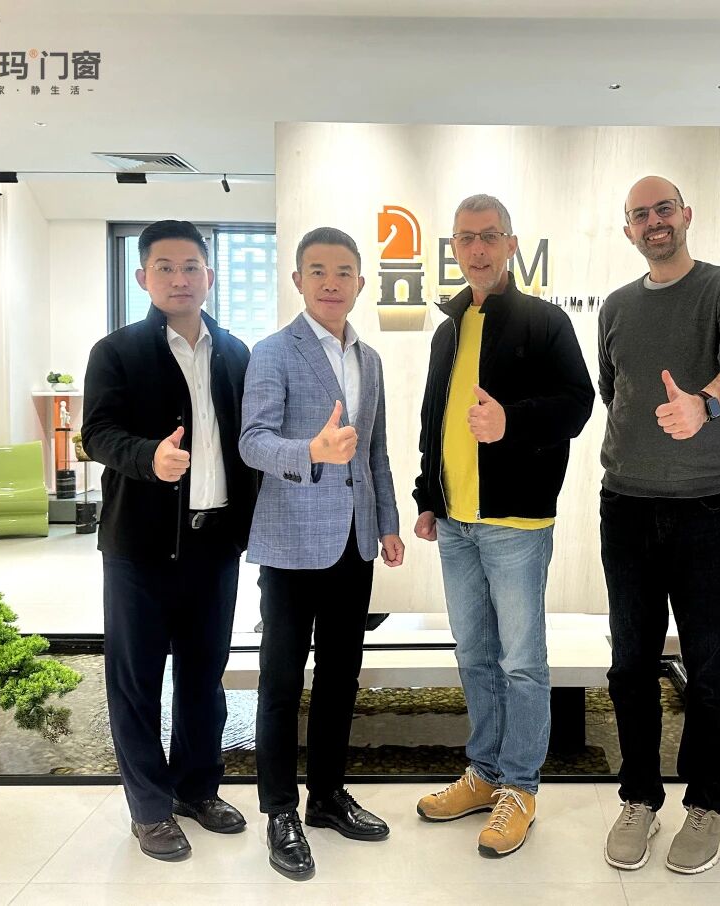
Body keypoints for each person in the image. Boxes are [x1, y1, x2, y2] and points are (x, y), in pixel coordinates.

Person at [412, 194, 594, 858]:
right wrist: (427, 495)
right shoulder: (448, 329)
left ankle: (520, 787)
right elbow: (433, 419)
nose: (478, 248)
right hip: (455, 522)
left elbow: (578, 404)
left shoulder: (544, 322)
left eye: (490, 236)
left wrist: (511, 421)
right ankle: (484, 774)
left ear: (512, 245)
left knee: (521, 662)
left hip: (516, 521)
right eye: (466, 238)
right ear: (455, 249)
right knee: (474, 654)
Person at [598, 176, 720, 874]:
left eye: (663, 209)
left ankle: (707, 804)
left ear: (686, 214)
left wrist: (705, 403)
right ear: (628, 230)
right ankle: (639, 797)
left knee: (710, 667)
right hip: (625, 507)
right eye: (640, 215)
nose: (654, 221)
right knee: (631, 666)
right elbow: (613, 391)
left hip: (705, 510)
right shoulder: (615, 306)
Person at [82, 219, 258, 862]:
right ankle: (150, 809)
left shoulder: (236, 352)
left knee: (203, 679)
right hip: (140, 547)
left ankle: (197, 789)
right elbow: (97, 434)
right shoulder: (116, 352)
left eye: (190, 267)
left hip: (215, 545)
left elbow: (248, 443)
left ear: (209, 275)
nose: (179, 279)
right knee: (136, 682)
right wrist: (147, 458)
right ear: (143, 277)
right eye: (165, 267)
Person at [239, 227, 403, 881]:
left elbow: (376, 450)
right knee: (281, 682)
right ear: (298, 281)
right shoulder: (273, 352)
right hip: (289, 543)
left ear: (360, 282)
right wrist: (310, 451)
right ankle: (280, 811)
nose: (331, 283)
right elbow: (253, 441)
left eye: (343, 272)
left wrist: (387, 523)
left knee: (341, 677)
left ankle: (328, 796)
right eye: (317, 271)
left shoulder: (371, 359)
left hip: (354, 542)